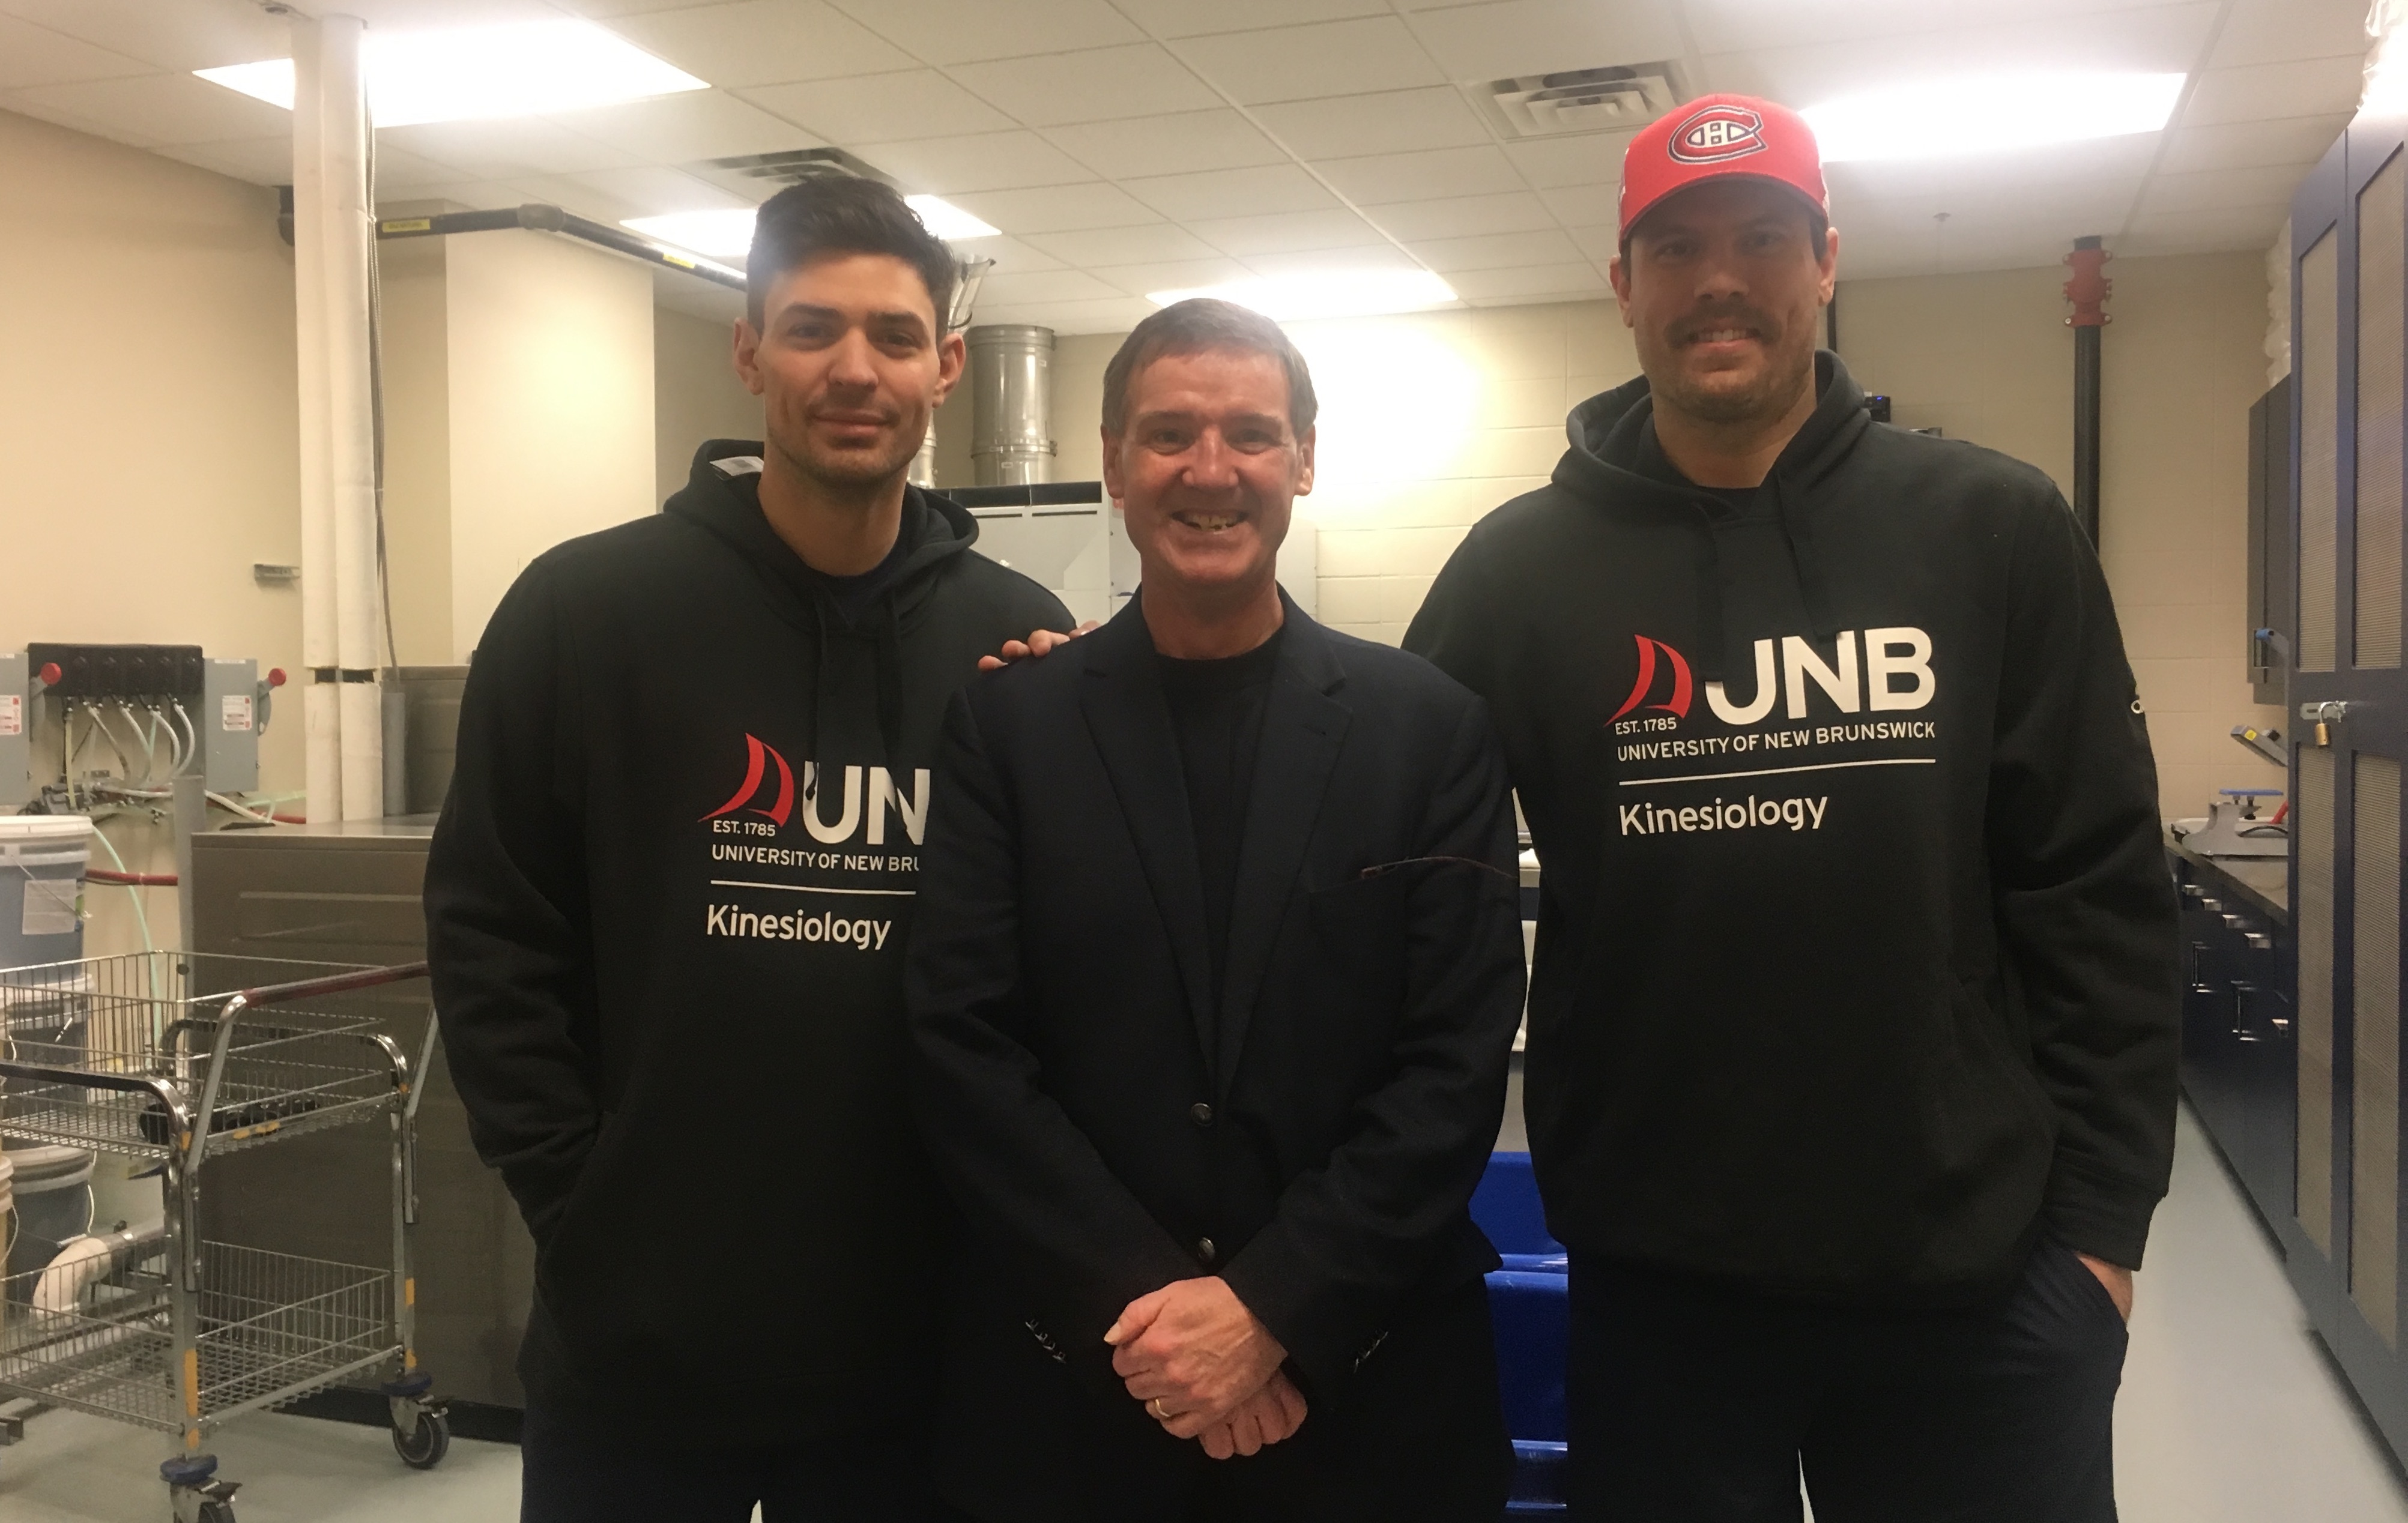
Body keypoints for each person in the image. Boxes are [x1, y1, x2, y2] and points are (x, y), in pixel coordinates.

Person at [1403, 94, 2180, 1521]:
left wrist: (2099, 1240)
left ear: (1825, 262)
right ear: (1622, 284)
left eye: (1762, 236)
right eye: (1677, 243)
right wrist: (1120, 689)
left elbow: (2099, 887)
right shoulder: (1518, 571)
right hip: (1662, 1298)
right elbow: (1370, 815)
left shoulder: (1989, 526)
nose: (1719, 278)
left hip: (1980, 1286)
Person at [423, 175, 1071, 1522]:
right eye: (811, 328)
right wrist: (583, 1210)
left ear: (945, 366)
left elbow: (1060, 959)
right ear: (747, 348)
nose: (854, 369)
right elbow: (493, 935)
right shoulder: (582, 611)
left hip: (920, 1344)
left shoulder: (1015, 642)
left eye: (894, 336)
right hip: (642, 1345)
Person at [907, 298, 1525, 1522]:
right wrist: (1170, 1330)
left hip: (1366, 1388)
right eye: (1168, 433)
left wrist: (1276, 1312)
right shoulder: (1007, 727)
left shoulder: (1428, 729)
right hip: (1078, 1396)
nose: (1209, 470)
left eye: (1250, 432)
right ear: (1112, 463)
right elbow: (963, 1043)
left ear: (1303, 457)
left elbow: (1451, 1065)